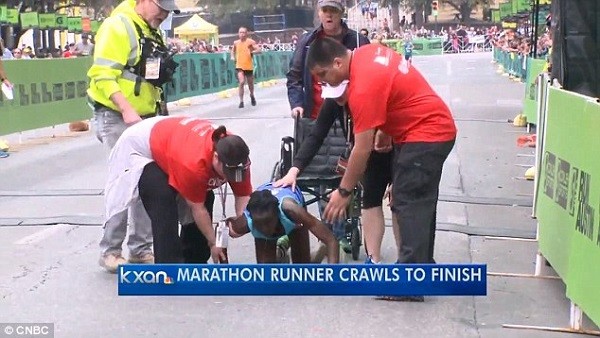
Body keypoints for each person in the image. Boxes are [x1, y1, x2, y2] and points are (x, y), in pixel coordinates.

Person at [306, 37, 457, 300]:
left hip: (425, 134)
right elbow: (394, 91)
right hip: (427, 131)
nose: (323, 83)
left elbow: (361, 148)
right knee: (418, 202)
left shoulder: (362, 87)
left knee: (409, 202)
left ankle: (409, 283)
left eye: (323, 75)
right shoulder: (367, 53)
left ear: (338, 62)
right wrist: (386, 128)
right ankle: (423, 269)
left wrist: (344, 192)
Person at [87, 0, 180, 272]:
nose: (164, 14)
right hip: (118, 117)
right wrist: (127, 110)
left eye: (168, 9)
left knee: (148, 185)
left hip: (147, 118)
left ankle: (140, 249)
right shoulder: (118, 26)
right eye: (160, 7)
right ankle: (110, 251)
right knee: (123, 182)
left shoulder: (151, 31)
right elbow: (103, 75)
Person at [106, 116, 252, 264]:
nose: (233, 177)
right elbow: (197, 209)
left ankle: (194, 262)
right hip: (143, 146)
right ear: (216, 157)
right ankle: (169, 266)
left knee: (206, 196)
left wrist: (243, 224)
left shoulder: (238, 156)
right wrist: (213, 243)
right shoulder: (194, 163)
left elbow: (243, 195)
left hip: (175, 140)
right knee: (162, 197)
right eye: (228, 172)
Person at [228, 183, 339, 263]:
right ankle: (280, 253)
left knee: (301, 269)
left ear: (278, 214)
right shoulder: (244, 222)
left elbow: (330, 240)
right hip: (265, 205)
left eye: (267, 223)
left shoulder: (292, 211)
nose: (265, 229)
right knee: (266, 275)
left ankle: (315, 253)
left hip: (295, 222)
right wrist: (222, 263)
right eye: (259, 224)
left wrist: (333, 277)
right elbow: (222, 227)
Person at [231, 26, 261, 109]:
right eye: (240, 32)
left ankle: (252, 95)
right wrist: (232, 57)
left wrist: (252, 52)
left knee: (250, 83)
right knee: (241, 82)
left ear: (246, 33)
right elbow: (232, 51)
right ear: (238, 33)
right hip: (239, 65)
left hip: (248, 66)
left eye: (244, 32)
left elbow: (259, 50)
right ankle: (241, 101)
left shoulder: (250, 42)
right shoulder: (236, 42)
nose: (242, 34)